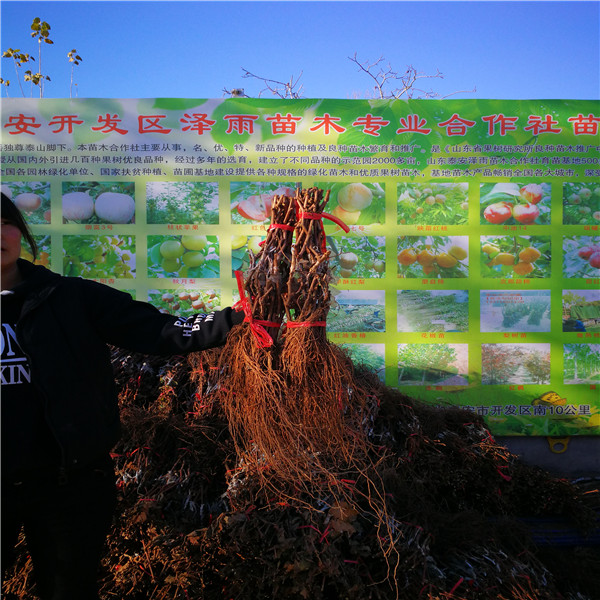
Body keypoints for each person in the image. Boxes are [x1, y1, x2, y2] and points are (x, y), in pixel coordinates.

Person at [0, 192, 245, 600]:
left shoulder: (70, 297)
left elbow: (158, 330)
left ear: (20, 232)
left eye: (3, 222)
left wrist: (233, 320)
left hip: (69, 485)